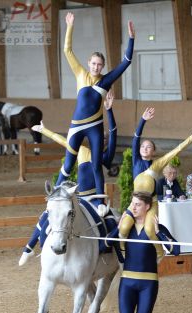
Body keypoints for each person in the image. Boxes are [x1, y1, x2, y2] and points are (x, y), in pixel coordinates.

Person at [19, 91, 121, 266]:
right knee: (46, 216)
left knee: (111, 221)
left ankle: (117, 257)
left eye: (105, 139)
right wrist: (45, 130)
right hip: (80, 197)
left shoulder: (105, 156)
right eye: (101, 138)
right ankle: (30, 248)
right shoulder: (82, 151)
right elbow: (64, 141)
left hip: (96, 199)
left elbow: (113, 132)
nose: (103, 140)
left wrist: (109, 111)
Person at [56, 12, 135, 217]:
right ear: (89, 63)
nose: (96, 67)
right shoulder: (81, 74)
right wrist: (70, 27)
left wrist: (131, 39)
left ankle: (100, 202)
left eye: (99, 64)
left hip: (95, 127)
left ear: (103, 66)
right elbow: (67, 50)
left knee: (96, 164)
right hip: (76, 125)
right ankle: (55, 193)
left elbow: (126, 61)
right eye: (93, 63)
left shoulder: (106, 80)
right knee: (67, 164)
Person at [107, 191, 180, 313]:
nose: (133, 207)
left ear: (147, 206)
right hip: (127, 282)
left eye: (137, 204)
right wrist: (117, 226)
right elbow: (105, 244)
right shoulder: (127, 228)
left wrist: (160, 233)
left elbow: (177, 250)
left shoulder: (156, 228)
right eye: (132, 203)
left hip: (149, 283)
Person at [119, 106, 192, 259]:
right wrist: (143, 120)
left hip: (151, 203)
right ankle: (124, 255)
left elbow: (175, 151)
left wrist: (191, 138)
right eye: (143, 146)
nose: (145, 148)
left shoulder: (157, 165)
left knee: (151, 231)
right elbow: (136, 138)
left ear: (153, 151)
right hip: (136, 202)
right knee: (123, 229)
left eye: (148, 147)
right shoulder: (136, 161)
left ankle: (160, 252)